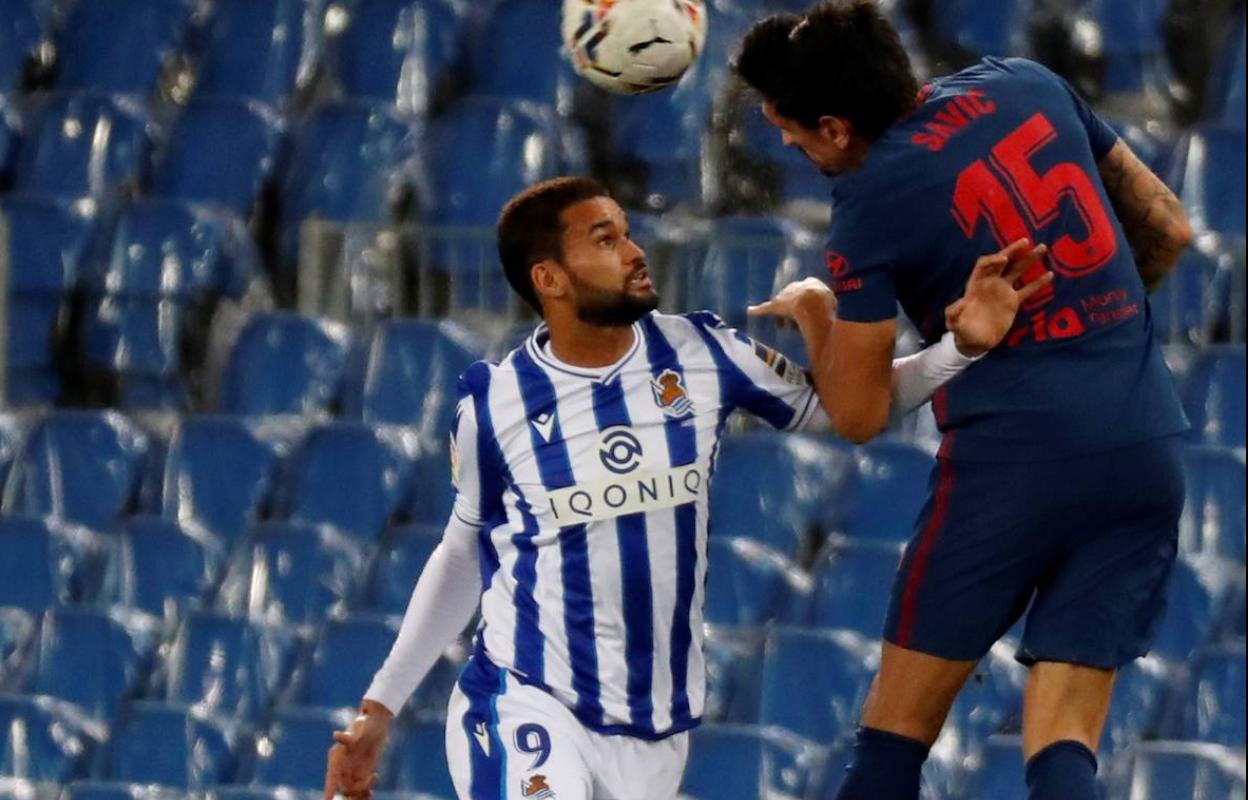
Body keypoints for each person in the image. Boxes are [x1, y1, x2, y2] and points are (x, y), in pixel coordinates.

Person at [321, 176, 1049, 800]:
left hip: (658, 731)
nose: (635, 251)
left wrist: (961, 348)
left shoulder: (702, 352)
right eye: (604, 240)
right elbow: (465, 549)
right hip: (527, 699)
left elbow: (850, 409)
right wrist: (380, 706)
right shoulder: (494, 401)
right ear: (550, 277)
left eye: (628, 233)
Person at [733, 3, 1194, 800]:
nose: (786, 143)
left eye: (789, 127)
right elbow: (1169, 228)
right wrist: (1082, 321)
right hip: (1144, 445)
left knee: (890, 746)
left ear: (837, 127)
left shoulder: (871, 201)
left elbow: (858, 413)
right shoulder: (1028, 83)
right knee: (1063, 748)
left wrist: (814, 309)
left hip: (1011, 471)